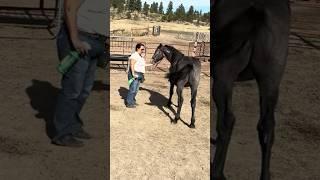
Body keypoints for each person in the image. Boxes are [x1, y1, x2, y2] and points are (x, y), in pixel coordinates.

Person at [52, 0, 108, 147]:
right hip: (80, 39)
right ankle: (62, 133)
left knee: (84, 90)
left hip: (95, 42)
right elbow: (69, 7)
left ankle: (73, 125)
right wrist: (75, 39)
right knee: (72, 90)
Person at [126, 43, 146, 108]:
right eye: (142, 49)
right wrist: (133, 74)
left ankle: (132, 101)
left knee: (136, 89)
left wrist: (151, 64)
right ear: (137, 48)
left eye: (144, 49)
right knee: (133, 89)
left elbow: (142, 65)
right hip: (135, 74)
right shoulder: (134, 55)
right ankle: (129, 103)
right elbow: (132, 64)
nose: (143, 50)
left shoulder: (140, 56)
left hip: (139, 74)